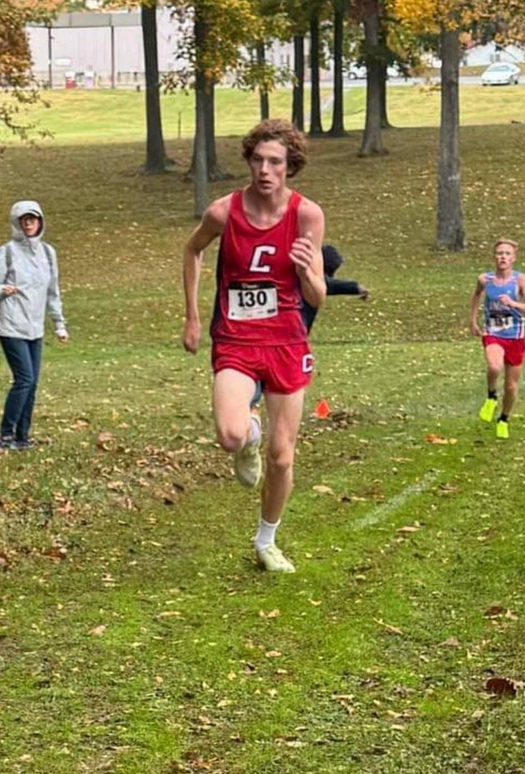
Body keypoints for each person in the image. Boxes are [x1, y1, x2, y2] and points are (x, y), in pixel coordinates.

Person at [182, 118, 326, 573]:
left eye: (275, 162)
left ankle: (267, 540)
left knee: (283, 457)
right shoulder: (224, 212)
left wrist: (306, 272)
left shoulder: (307, 215)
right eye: (258, 160)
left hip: (286, 339)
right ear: (248, 161)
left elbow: (317, 296)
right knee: (229, 434)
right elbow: (192, 251)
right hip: (236, 338)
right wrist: (190, 315)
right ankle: (250, 436)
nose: (265, 169)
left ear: (290, 167)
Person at [250, 243, 369, 406]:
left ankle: (256, 400)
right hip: (290, 334)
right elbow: (330, 285)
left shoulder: (303, 278)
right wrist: (356, 287)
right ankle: (257, 401)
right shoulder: (309, 279)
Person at [0, 201, 68, 450]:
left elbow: (53, 291)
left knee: (32, 382)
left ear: (40, 221)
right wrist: (2, 290)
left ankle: (22, 436)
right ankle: (5, 434)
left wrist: (59, 324)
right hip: (10, 326)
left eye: (33, 218)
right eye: (23, 219)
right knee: (24, 379)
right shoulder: (6, 252)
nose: (28, 223)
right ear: (16, 223)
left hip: (35, 328)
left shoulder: (48, 253)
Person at [469, 238, 525, 439]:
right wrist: (473, 321)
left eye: (507, 254)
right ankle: (491, 396)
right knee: (494, 366)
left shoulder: (519, 280)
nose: (503, 257)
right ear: (494, 257)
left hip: (516, 336)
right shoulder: (485, 279)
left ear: (513, 258)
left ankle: (504, 418)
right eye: (500, 253)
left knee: (511, 386)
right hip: (493, 332)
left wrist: (513, 303)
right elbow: (476, 296)